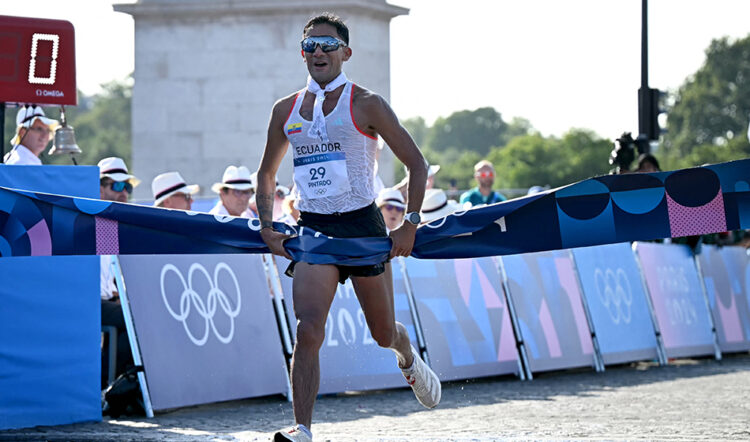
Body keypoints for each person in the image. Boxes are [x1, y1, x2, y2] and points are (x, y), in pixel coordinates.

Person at [255, 13, 440, 441]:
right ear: (302, 53)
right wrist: (268, 228)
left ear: (346, 52)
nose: (317, 52)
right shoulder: (285, 109)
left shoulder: (367, 103)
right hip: (315, 230)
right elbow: (266, 175)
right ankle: (302, 428)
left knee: (382, 333)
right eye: (309, 46)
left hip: (363, 227)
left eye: (327, 44)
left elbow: (416, 164)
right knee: (308, 327)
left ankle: (406, 353)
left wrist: (410, 223)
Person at [98, 156, 140, 388]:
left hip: (103, 300)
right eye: (117, 185)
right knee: (135, 318)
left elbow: (107, 276)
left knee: (138, 317)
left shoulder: (109, 223)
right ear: (100, 188)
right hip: (86, 301)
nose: (124, 192)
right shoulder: (91, 220)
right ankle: (108, 383)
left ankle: (118, 383)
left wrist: (115, 293)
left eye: (128, 186)